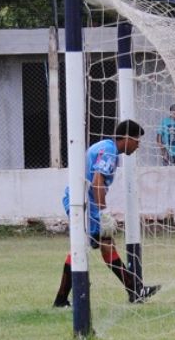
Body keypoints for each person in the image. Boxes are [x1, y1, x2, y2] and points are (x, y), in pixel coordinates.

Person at [53, 119, 161, 307]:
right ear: (126, 138)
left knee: (105, 246)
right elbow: (97, 181)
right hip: (86, 203)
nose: (138, 146)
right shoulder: (110, 151)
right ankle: (134, 290)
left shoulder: (106, 147)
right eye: (137, 141)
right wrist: (104, 213)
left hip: (82, 200)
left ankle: (135, 290)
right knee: (85, 247)